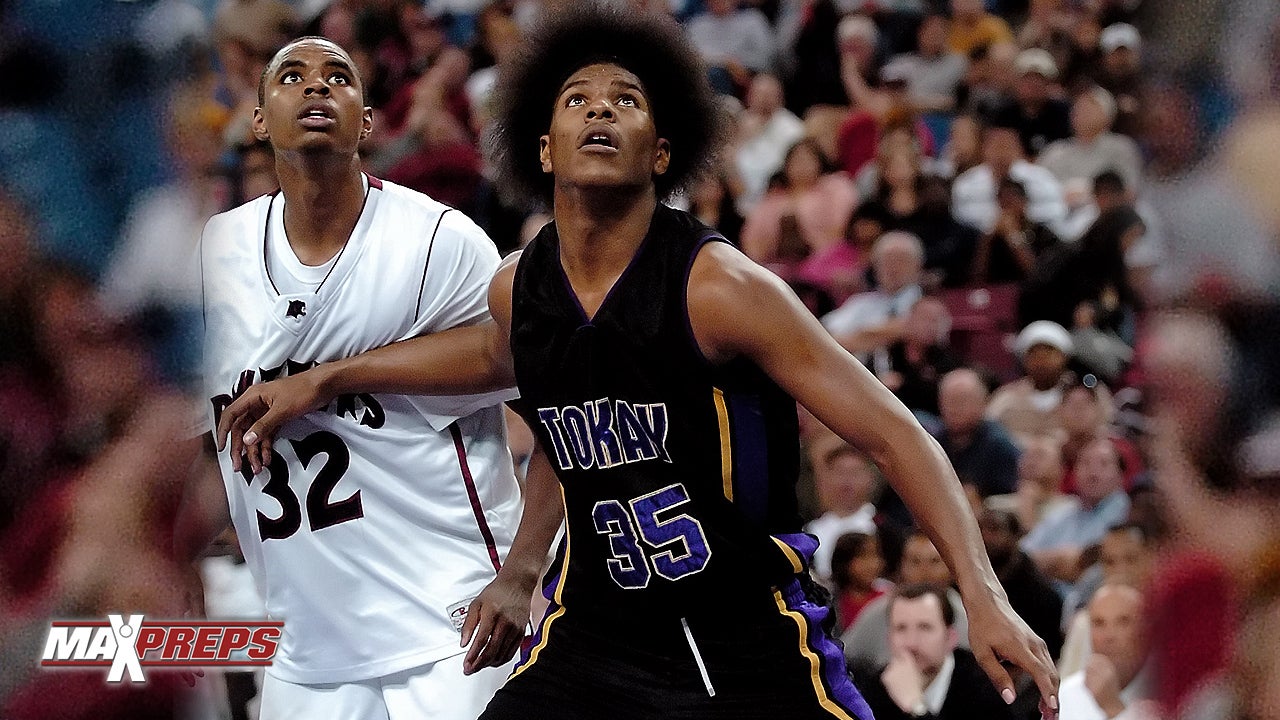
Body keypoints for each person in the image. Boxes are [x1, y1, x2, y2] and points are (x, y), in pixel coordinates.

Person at [215, 7, 1059, 719]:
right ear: (544, 149)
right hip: (600, 627)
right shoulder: (522, 289)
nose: (599, 111)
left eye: (626, 100)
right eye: (577, 99)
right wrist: (516, 566)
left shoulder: (720, 287)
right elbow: (513, 379)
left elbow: (892, 434)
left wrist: (982, 594)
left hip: (741, 625)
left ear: (661, 152)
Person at [197, 37, 524, 720]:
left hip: (449, 630)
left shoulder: (439, 239)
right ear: (259, 119)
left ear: (368, 120)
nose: (316, 88)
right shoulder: (219, 249)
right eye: (292, 76)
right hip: (307, 649)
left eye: (338, 77)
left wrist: (327, 380)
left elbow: (514, 354)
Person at [854, 583, 1015, 720]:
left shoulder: (983, 688)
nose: (911, 643)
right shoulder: (873, 690)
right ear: (889, 638)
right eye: (901, 629)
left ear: (950, 638)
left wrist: (916, 708)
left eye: (925, 628)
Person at [1058, 584, 1153, 720]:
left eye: (1123, 622)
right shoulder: (1066, 695)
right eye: (1099, 623)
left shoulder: (1171, 691)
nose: (1109, 636)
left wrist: (1114, 709)